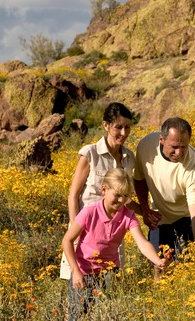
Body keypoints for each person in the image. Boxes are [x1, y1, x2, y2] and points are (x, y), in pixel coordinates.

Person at [62, 168, 167, 320]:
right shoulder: (89, 212)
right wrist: (75, 271)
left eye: (125, 196)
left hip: (109, 273)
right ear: (103, 189)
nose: (120, 200)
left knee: (106, 314)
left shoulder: (128, 216)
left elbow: (142, 243)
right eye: (117, 195)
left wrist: (157, 260)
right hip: (83, 272)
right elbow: (67, 240)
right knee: (77, 315)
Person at [60, 102, 140, 279]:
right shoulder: (91, 153)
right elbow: (73, 196)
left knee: (107, 288)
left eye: (127, 127)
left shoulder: (128, 158)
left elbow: (124, 198)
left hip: (112, 234)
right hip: (85, 231)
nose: (123, 133)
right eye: (118, 127)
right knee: (79, 283)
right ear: (106, 125)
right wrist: (76, 232)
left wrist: (146, 212)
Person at [134, 117, 195, 260]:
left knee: (185, 259)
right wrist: (145, 209)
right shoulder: (146, 146)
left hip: (189, 213)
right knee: (158, 260)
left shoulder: (193, 166)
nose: (179, 153)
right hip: (162, 210)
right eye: (174, 147)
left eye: (184, 147)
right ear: (161, 140)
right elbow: (140, 179)